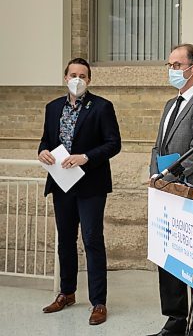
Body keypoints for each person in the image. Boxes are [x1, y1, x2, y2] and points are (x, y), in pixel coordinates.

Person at [38, 58, 121, 325]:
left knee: (92, 239)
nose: (78, 79)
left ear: (89, 80)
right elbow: (45, 140)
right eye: (73, 74)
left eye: (83, 75)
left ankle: (99, 302)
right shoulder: (52, 108)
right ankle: (67, 292)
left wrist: (86, 157)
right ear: (65, 78)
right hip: (61, 183)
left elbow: (113, 144)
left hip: (91, 185)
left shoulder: (102, 107)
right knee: (65, 240)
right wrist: (42, 152)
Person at [148, 43, 193, 336]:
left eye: (177, 65)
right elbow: (158, 146)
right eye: (169, 66)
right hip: (166, 192)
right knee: (168, 259)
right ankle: (175, 320)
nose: (172, 71)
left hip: (192, 191)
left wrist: (169, 177)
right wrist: (155, 176)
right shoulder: (170, 104)